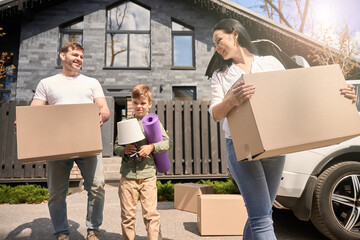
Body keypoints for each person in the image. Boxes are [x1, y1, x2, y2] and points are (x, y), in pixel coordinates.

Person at [208, 19, 356, 240]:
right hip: (241, 149)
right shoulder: (221, 75)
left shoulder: (269, 62)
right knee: (261, 219)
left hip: (274, 147)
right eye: (214, 43)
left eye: (219, 40)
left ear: (235, 34)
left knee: (262, 213)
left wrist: (339, 93)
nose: (217, 47)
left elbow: (298, 90)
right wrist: (230, 100)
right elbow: (216, 113)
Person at [30, 42, 110, 240]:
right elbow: (34, 111)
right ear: (62, 56)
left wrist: (103, 115)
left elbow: (104, 108)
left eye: (82, 56)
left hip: (88, 142)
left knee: (98, 186)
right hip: (58, 145)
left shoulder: (91, 82)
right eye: (75, 54)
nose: (79, 59)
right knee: (57, 192)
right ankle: (61, 232)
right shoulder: (47, 83)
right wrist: (25, 122)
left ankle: (93, 229)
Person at [114, 84, 172, 240]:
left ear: (149, 104)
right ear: (131, 103)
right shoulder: (125, 123)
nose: (139, 106)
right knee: (127, 216)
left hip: (148, 176)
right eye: (135, 102)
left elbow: (167, 143)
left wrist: (151, 147)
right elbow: (116, 147)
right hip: (127, 177)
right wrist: (124, 150)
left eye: (143, 103)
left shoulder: (154, 122)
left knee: (151, 215)